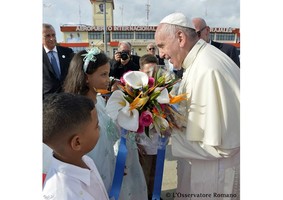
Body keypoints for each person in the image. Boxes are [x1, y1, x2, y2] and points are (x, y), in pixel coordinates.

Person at [155, 12, 240, 200]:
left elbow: (222, 145)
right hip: (205, 168)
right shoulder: (199, 60)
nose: (161, 54)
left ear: (180, 38)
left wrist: (169, 132)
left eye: (161, 45)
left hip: (214, 176)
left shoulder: (206, 69)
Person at [63, 47, 147, 200]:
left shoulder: (100, 100)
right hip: (97, 171)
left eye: (108, 74)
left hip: (113, 168)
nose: (108, 79)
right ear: (86, 77)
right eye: (103, 74)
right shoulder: (82, 111)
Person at [42, 92, 109, 200]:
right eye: (96, 126)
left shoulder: (86, 160)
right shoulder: (61, 195)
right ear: (77, 142)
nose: (100, 128)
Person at [137, 54, 160, 200]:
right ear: (140, 71)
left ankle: (154, 195)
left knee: (156, 175)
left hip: (158, 141)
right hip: (142, 143)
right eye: (147, 73)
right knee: (143, 176)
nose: (151, 76)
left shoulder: (162, 90)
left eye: (154, 72)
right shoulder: (133, 92)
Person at [42, 23, 74, 99]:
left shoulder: (67, 52)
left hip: (67, 98)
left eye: (53, 35)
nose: (52, 39)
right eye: (47, 36)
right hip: (48, 102)